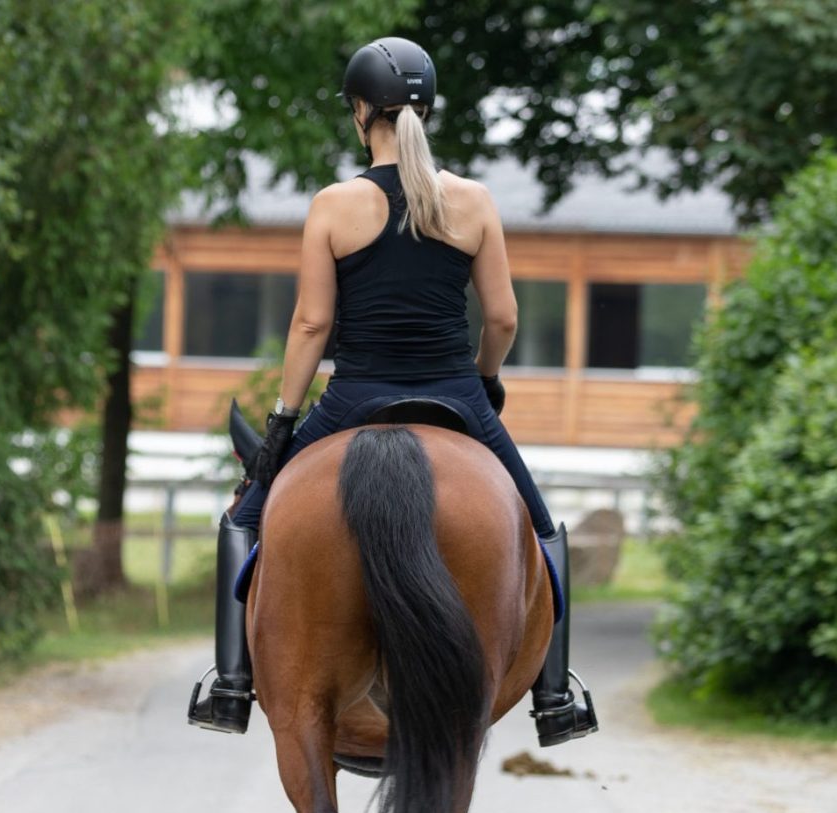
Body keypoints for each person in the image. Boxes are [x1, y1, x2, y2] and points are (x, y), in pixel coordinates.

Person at [187, 35, 598, 748]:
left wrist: (284, 420)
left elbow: (313, 323)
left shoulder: (334, 206)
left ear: (358, 113)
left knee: (245, 520)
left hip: (355, 398)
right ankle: (555, 697)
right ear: (426, 111)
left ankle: (229, 685)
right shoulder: (472, 202)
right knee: (540, 528)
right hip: (455, 396)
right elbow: (502, 317)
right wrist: (486, 379)